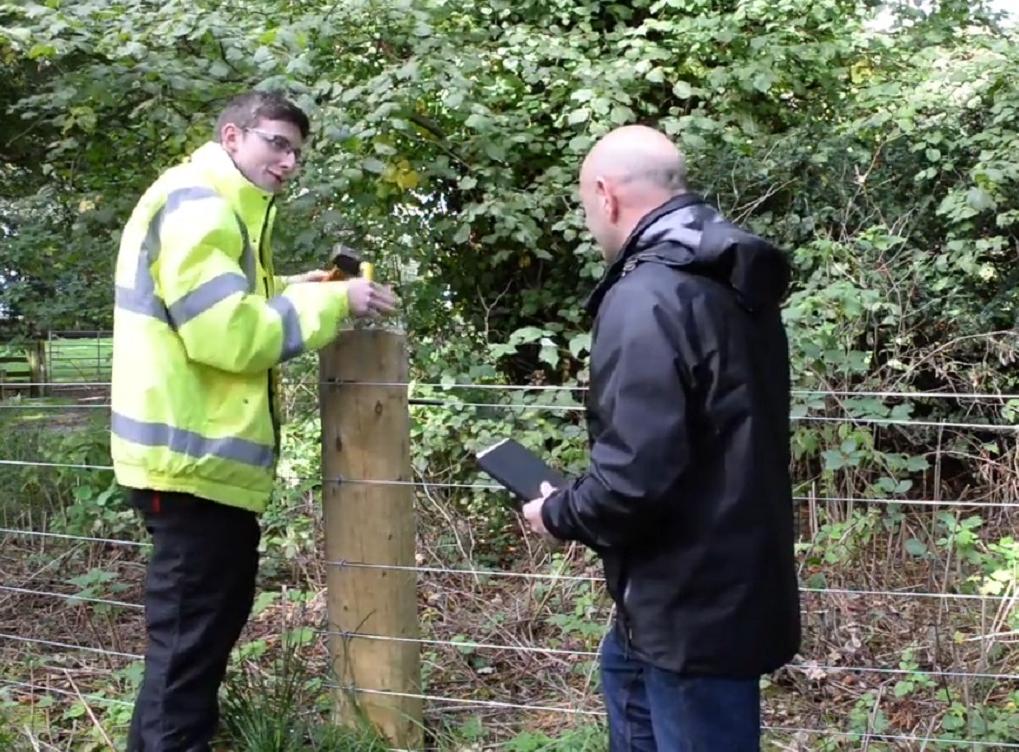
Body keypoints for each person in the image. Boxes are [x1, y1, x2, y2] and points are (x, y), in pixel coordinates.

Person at [110, 89, 396, 751]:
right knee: (186, 658)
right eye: (276, 142)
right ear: (232, 137)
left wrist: (308, 289)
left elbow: (230, 302)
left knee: (189, 654)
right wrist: (334, 306)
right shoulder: (201, 205)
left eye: (296, 150)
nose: (288, 161)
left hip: (195, 468)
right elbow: (226, 335)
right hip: (189, 468)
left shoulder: (216, 204)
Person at [522, 125, 800, 751]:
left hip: (688, 607)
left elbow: (635, 476)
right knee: (622, 669)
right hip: (719, 584)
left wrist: (558, 512)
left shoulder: (648, 295)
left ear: (605, 195)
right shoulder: (731, 279)